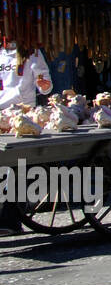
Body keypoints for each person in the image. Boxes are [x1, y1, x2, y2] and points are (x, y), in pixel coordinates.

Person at [0, 43, 53, 235]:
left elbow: (45, 81)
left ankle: (11, 218)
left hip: (22, 114)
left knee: (19, 166)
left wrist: (43, 84)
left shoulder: (32, 52)